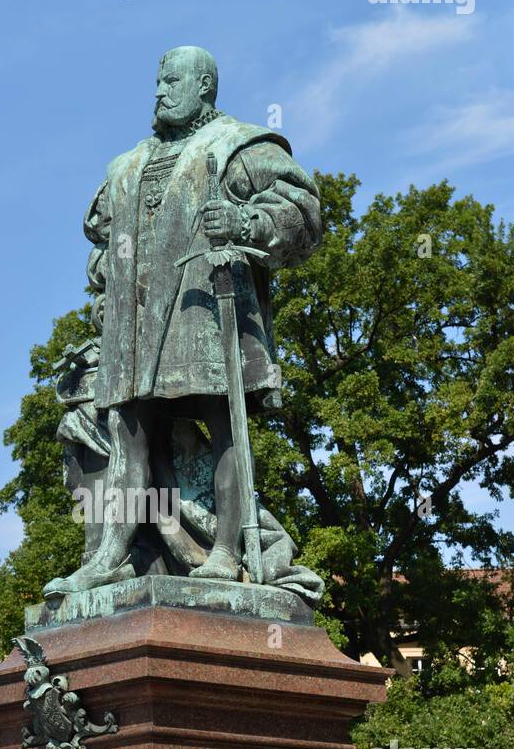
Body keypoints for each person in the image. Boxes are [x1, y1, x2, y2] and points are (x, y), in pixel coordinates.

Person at [44, 45, 322, 597]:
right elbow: (104, 247)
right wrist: (104, 284)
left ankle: (224, 551)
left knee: (223, 426)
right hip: (135, 324)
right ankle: (111, 554)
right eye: (158, 81)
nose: (160, 91)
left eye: (173, 81)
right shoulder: (126, 165)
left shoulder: (239, 146)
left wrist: (245, 219)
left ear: (205, 88)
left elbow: (304, 212)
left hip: (203, 307)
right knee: (128, 430)